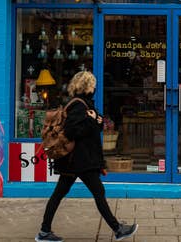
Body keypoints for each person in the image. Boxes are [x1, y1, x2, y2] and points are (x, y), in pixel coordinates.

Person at [36, 71, 138, 242]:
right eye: (93, 84)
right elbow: (72, 131)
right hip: (80, 160)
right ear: (87, 86)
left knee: (59, 193)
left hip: (77, 161)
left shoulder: (86, 104)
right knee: (98, 192)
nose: (95, 87)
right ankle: (118, 229)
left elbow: (93, 128)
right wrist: (93, 121)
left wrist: (96, 121)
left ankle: (44, 231)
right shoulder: (79, 105)